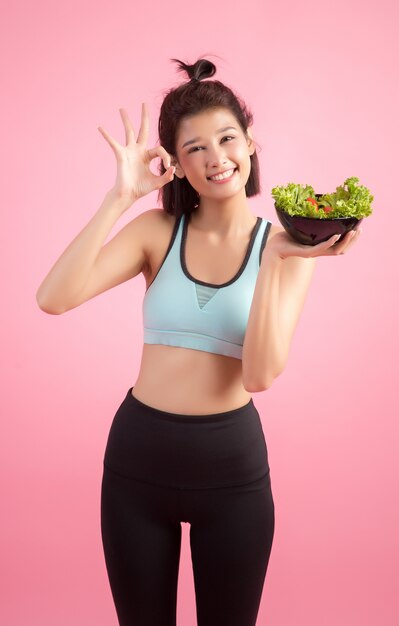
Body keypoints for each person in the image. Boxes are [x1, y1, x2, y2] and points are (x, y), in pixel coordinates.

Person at [36, 57, 361, 626]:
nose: (216, 159)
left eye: (227, 138)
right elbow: (54, 297)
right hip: (137, 461)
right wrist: (121, 196)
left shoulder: (291, 247)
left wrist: (278, 258)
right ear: (177, 166)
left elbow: (259, 374)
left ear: (251, 143)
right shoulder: (155, 233)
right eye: (195, 149)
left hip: (231, 471)